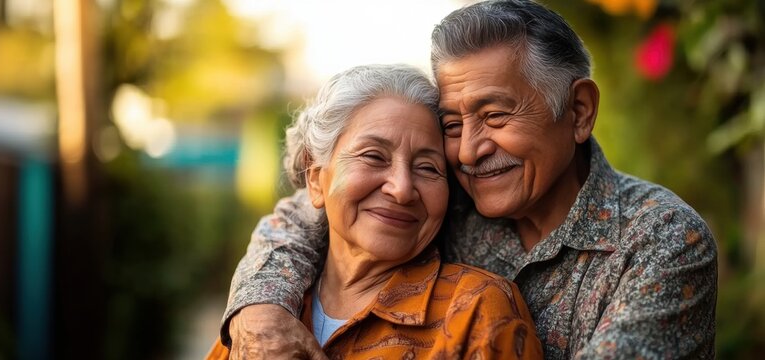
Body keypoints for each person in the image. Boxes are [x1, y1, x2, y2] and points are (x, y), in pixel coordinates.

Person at [221, 1, 718, 359]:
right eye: (453, 125)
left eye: (496, 115)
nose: (469, 149)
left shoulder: (662, 240)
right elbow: (306, 211)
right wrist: (261, 306)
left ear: (579, 111)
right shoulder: (443, 191)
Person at [207, 64, 543, 359]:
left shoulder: (477, 311)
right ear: (316, 180)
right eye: (373, 156)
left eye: (427, 167)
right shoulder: (257, 320)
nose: (402, 188)